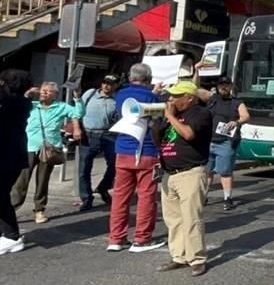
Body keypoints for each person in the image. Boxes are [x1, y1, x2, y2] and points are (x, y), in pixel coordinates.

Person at [154, 81, 214, 277]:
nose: (171, 99)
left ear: (190, 97)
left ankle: (196, 258)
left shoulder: (200, 114)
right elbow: (157, 141)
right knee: (173, 219)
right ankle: (178, 256)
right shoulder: (173, 116)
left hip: (190, 172)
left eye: (176, 96)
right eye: (170, 95)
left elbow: (188, 134)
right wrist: (158, 122)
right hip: (169, 173)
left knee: (191, 218)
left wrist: (170, 116)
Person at [108, 63, 165, 253]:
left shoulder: (120, 94)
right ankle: (141, 239)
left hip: (123, 149)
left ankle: (116, 238)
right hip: (147, 151)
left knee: (120, 197)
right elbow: (157, 122)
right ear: (148, 79)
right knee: (146, 196)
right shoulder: (153, 98)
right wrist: (156, 94)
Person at [12, 81, 83, 225]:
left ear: (55, 94)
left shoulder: (61, 107)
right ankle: (11, 208)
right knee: (21, 181)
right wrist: (26, 95)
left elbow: (78, 113)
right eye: (42, 90)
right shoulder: (32, 105)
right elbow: (15, 108)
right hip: (29, 147)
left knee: (43, 180)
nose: (44, 92)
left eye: (48, 91)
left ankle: (39, 210)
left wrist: (77, 97)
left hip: (49, 149)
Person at [196, 76, 249, 211]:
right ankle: (204, 197)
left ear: (231, 86)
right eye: (221, 85)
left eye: (226, 85)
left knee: (225, 172)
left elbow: (246, 116)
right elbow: (195, 89)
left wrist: (237, 122)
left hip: (226, 141)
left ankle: (227, 198)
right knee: (207, 171)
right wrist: (195, 70)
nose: (223, 87)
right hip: (208, 140)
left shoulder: (237, 102)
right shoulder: (213, 99)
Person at [0, 70, 33, 255]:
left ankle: (12, 236)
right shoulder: (14, 101)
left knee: (1, 196)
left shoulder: (14, 103)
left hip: (7, 156)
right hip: (9, 155)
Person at [77, 74, 121, 211]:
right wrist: (77, 128)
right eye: (105, 83)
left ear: (116, 86)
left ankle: (103, 188)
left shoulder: (117, 99)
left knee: (115, 165)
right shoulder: (90, 94)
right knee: (84, 168)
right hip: (89, 134)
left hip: (109, 134)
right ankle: (86, 198)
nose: (107, 86)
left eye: (111, 84)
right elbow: (77, 111)